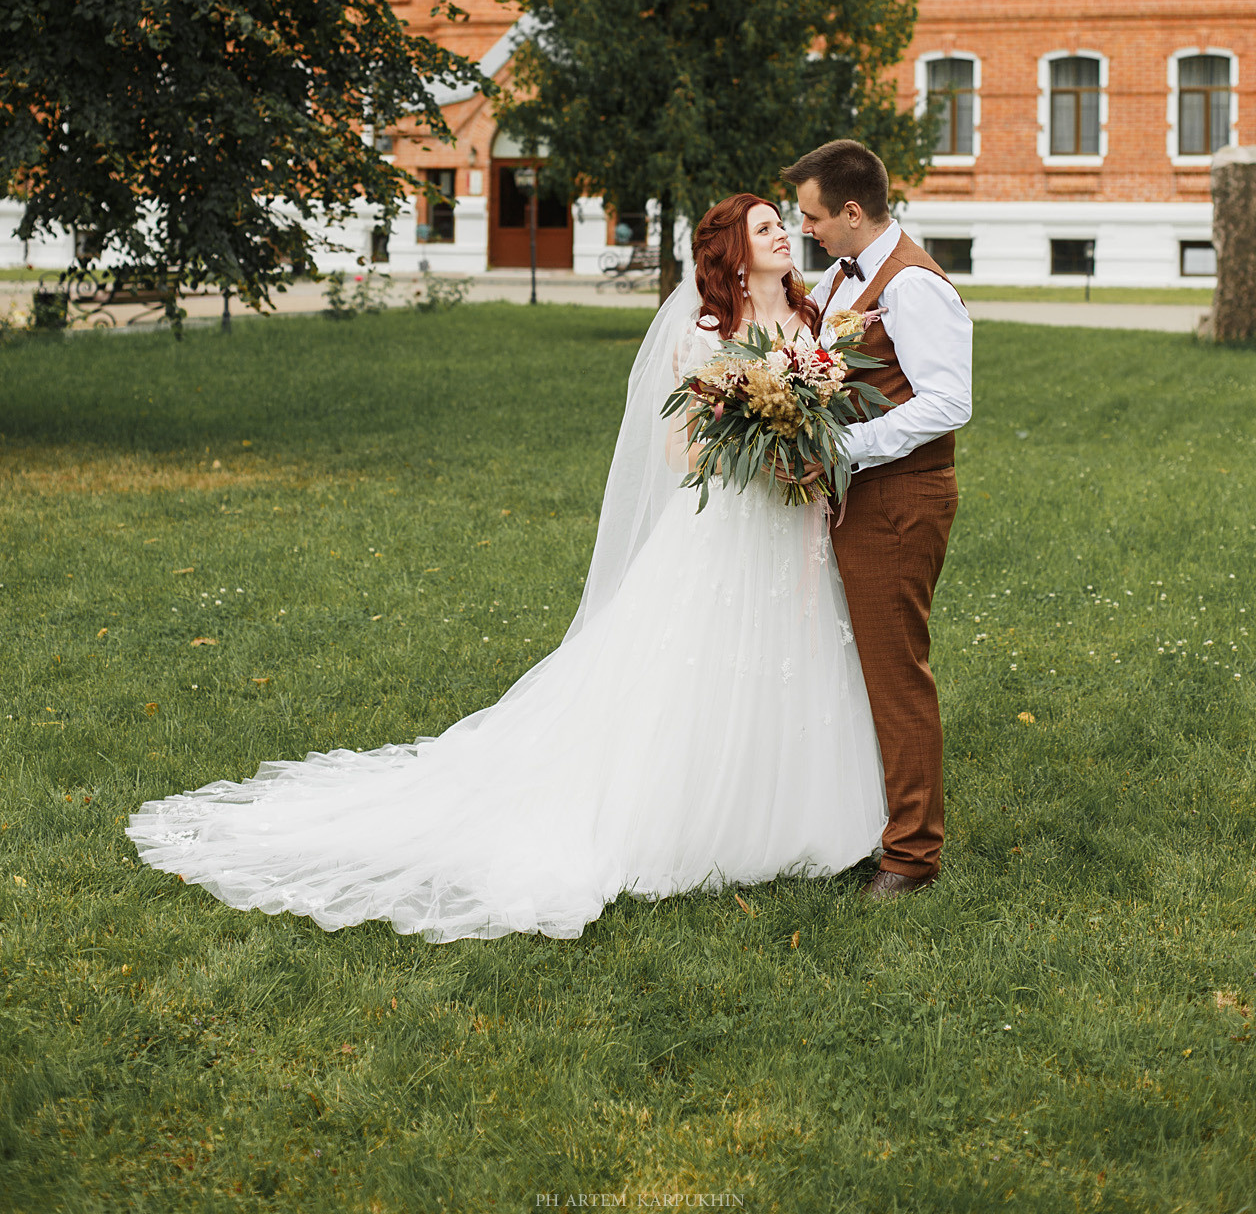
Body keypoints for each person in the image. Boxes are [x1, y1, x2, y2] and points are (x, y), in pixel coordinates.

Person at [127, 194, 888, 941]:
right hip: (729, 523)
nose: (784, 234)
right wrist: (748, 423)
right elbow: (676, 450)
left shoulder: (811, 318)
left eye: (783, 224)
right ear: (732, 248)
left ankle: (794, 812)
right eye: (765, 227)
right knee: (706, 666)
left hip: (794, 524)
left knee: (794, 656)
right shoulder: (705, 332)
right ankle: (706, 818)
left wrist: (800, 439)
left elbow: (828, 405)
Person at [781, 139, 972, 903]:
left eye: (815, 218)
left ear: (853, 212)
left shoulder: (915, 288)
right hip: (858, 495)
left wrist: (842, 446)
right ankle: (869, 817)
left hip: (901, 500)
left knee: (896, 675)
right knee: (856, 667)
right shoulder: (839, 278)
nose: (809, 231)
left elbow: (948, 402)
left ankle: (913, 857)